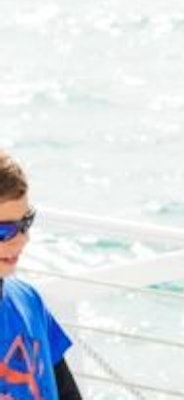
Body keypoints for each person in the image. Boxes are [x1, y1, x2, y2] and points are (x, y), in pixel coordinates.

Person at [0, 149, 81, 399]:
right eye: (4, 231)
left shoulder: (28, 300)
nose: (23, 239)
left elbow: (66, 392)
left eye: (26, 223)